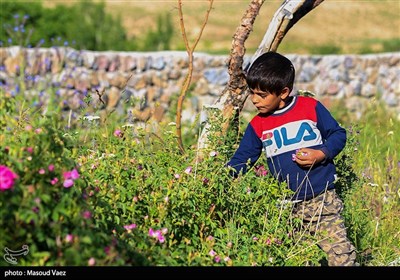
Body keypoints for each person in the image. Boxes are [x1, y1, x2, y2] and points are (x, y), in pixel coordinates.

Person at [227, 51, 358, 266]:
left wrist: (321, 154)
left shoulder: (309, 107)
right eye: (252, 93)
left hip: (323, 201)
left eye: (262, 94)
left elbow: (338, 134)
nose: (254, 100)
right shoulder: (258, 125)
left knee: (340, 255)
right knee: (299, 259)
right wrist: (220, 178)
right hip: (286, 208)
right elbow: (243, 158)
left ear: (284, 92)